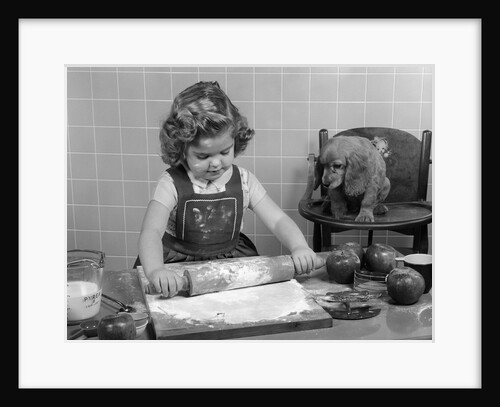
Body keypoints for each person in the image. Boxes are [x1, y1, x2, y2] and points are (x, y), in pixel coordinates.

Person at [135, 81, 324, 297]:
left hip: (231, 262)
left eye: (225, 152)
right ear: (181, 148)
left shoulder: (244, 180)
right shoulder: (171, 183)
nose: (215, 163)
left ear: (236, 140)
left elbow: (278, 220)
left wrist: (299, 246)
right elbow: (151, 232)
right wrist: (156, 270)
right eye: (203, 156)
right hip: (177, 264)